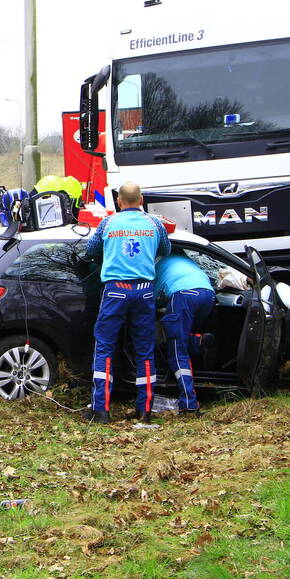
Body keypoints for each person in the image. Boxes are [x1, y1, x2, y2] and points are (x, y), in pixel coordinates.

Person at [83, 181, 171, 424]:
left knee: (105, 348)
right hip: (144, 291)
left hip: (115, 291)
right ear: (141, 200)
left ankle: (100, 410)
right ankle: (145, 410)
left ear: (119, 202)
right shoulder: (154, 224)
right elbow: (166, 249)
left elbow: (91, 249)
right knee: (145, 350)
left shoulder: (108, 223)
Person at [155, 252, 216, 415]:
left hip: (183, 295)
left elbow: (150, 303)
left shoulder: (155, 267)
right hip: (208, 295)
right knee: (181, 337)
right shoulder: (184, 258)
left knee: (176, 349)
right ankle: (198, 341)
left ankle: (189, 403)